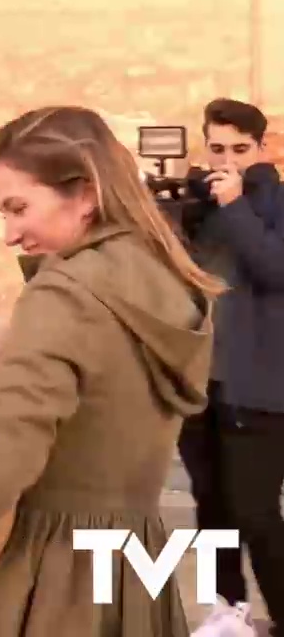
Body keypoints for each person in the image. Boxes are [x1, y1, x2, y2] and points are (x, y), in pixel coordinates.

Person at [0, 106, 222, 636]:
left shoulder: (66, 296)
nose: (9, 234)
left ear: (87, 194)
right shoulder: (164, 281)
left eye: (19, 208)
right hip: (134, 567)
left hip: (53, 577)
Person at [180, 98, 284, 635]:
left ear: (262, 149)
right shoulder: (202, 207)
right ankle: (229, 611)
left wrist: (238, 204)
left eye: (240, 149)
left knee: (256, 512)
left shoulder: (272, 203)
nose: (228, 159)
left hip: (261, 389)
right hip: (201, 383)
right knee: (212, 505)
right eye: (217, 148)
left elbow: (275, 270)